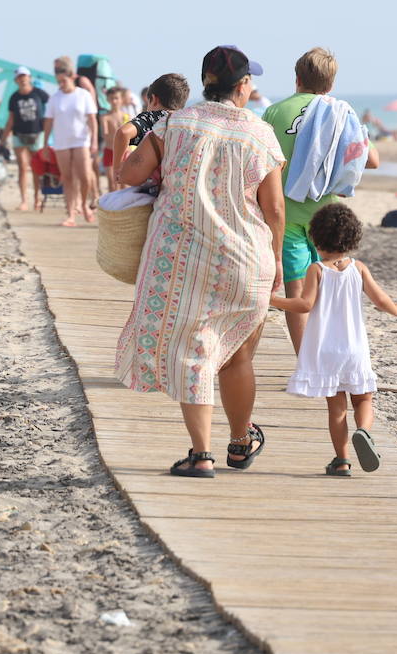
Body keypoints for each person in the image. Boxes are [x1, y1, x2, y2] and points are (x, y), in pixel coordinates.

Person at [115, 46, 285, 478]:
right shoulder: (259, 133)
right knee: (236, 357)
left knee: (195, 352)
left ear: (206, 81)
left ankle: (201, 454)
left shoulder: (173, 124)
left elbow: (129, 175)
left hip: (181, 260)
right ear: (243, 86)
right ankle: (240, 441)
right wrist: (278, 259)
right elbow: (275, 208)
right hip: (245, 260)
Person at [269, 203, 397, 476]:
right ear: (353, 238)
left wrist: (272, 299)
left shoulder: (317, 270)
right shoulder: (359, 268)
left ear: (315, 237)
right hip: (354, 348)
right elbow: (381, 300)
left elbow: (304, 305)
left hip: (326, 350)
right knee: (364, 400)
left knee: (337, 409)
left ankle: (341, 461)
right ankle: (364, 432)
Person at [261, 48, 379, 354]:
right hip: (325, 216)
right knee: (328, 288)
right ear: (330, 84)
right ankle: (330, 350)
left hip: (284, 214)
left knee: (296, 289)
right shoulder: (341, 113)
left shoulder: (274, 112)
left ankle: (306, 361)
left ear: (297, 78)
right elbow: (372, 159)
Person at [42, 62, 98, 227]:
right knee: (67, 177)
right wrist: (45, 144)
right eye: (58, 81)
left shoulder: (83, 95)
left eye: (63, 81)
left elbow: (92, 119)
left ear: (71, 78)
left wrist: (94, 140)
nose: (61, 84)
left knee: (85, 176)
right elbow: (48, 122)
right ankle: (71, 214)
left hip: (81, 140)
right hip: (61, 141)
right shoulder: (55, 98)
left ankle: (84, 205)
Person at [109, 72, 190, 186]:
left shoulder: (151, 117)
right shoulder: (187, 121)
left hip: (153, 187)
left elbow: (123, 133)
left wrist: (117, 168)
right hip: (180, 185)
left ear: (154, 99)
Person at [0, 67, 50, 210]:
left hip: (37, 134)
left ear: (29, 77)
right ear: (16, 80)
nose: (22, 79)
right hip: (18, 134)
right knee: (22, 166)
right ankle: (23, 201)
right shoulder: (14, 97)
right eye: (19, 77)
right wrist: (3, 140)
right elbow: (11, 119)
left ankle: (36, 199)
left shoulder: (39, 94)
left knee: (36, 168)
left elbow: (53, 109)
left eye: (25, 76)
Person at [100, 87, 131, 191]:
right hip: (110, 152)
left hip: (125, 153)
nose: (114, 101)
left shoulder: (127, 116)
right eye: (111, 98)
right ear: (107, 100)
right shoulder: (105, 117)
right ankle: (113, 206)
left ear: (121, 99)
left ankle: (125, 206)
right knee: (112, 184)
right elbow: (105, 135)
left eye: (116, 98)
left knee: (125, 183)